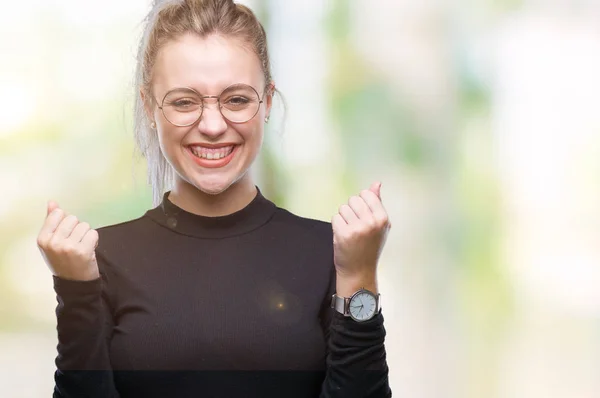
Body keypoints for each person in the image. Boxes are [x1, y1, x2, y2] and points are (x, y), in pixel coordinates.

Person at [36, 0, 392, 397]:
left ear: (267, 102)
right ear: (149, 106)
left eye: (237, 99)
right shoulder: (100, 260)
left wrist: (360, 275)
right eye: (184, 102)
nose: (211, 125)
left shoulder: (330, 252)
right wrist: (76, 291)